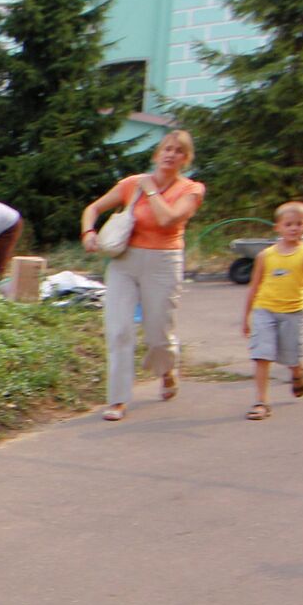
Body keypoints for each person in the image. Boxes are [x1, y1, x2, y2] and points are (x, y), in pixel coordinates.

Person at [80, 130, 206, 421]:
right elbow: (94, 208)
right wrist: (88, 232)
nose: (170, 154)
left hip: (164, 261)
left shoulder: (192, 189)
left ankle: (167, 371)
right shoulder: (131, 184)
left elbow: (167, 219)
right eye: (166, 149)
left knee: (159, 335)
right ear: (156, 153)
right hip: (125, 261)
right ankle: (118, 400)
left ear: (185, 159)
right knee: (119, 330)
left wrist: (151, 190)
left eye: (178, 151)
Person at [239, 200, 303, 420]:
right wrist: (246, 317)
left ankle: (298, 373)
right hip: (264, 310)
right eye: (288, 224)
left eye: (299, 224)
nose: (294, 228)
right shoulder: (265, 255)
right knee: (261, 355)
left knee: (291, 358)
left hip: (293, 313)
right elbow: (254, 287)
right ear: (278, 226)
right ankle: (261, 402)